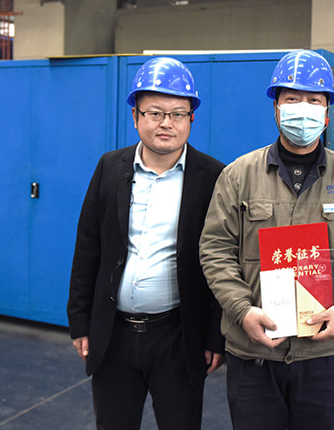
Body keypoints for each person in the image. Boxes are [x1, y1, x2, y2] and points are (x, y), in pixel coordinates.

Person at [199, 49, 334, 430]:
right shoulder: (239, 175)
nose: (302, 109)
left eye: (314, 100)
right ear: (275, 107)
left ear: (327, 112)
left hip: (322, 353)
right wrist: (241, 310)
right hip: (254, 352)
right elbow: (215, 248)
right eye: (291, 99)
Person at [67, 56, 225, 430]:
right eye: (154, 113)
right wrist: (80, 322)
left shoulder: (213, 176)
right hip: (114, 334)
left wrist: (215, 336)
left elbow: (224, 259)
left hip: (178, 335)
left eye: (178, 114)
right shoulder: (110, 167)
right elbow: (88, 246)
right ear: (136, 117)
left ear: (191, 119)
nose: (166, 123)